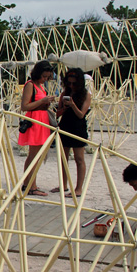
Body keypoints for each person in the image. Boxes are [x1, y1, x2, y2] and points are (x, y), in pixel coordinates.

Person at [51, 67, 92, 197]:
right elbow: (58, 113)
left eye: (74, 83)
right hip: (65, 125)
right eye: (69, 83)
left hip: (78, 126)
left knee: (79, 158)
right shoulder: (65, 93)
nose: (71, 85)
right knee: (63, 158)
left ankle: (79, 188)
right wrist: (62, 107)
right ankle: (63, 184)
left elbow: (81, 115)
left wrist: (73, 105)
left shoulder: (86, 95)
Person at [18, 60, 56, 196]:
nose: (45, 79)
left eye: (47, 77)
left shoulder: (40, 85)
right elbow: (24, 106)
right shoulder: (30, 85)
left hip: (42, 120)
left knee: (35, 156)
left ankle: (28, 183)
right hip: (35, 121)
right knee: (34, 156)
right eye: (44, 76)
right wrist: (42, 101)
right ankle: (31, 186)